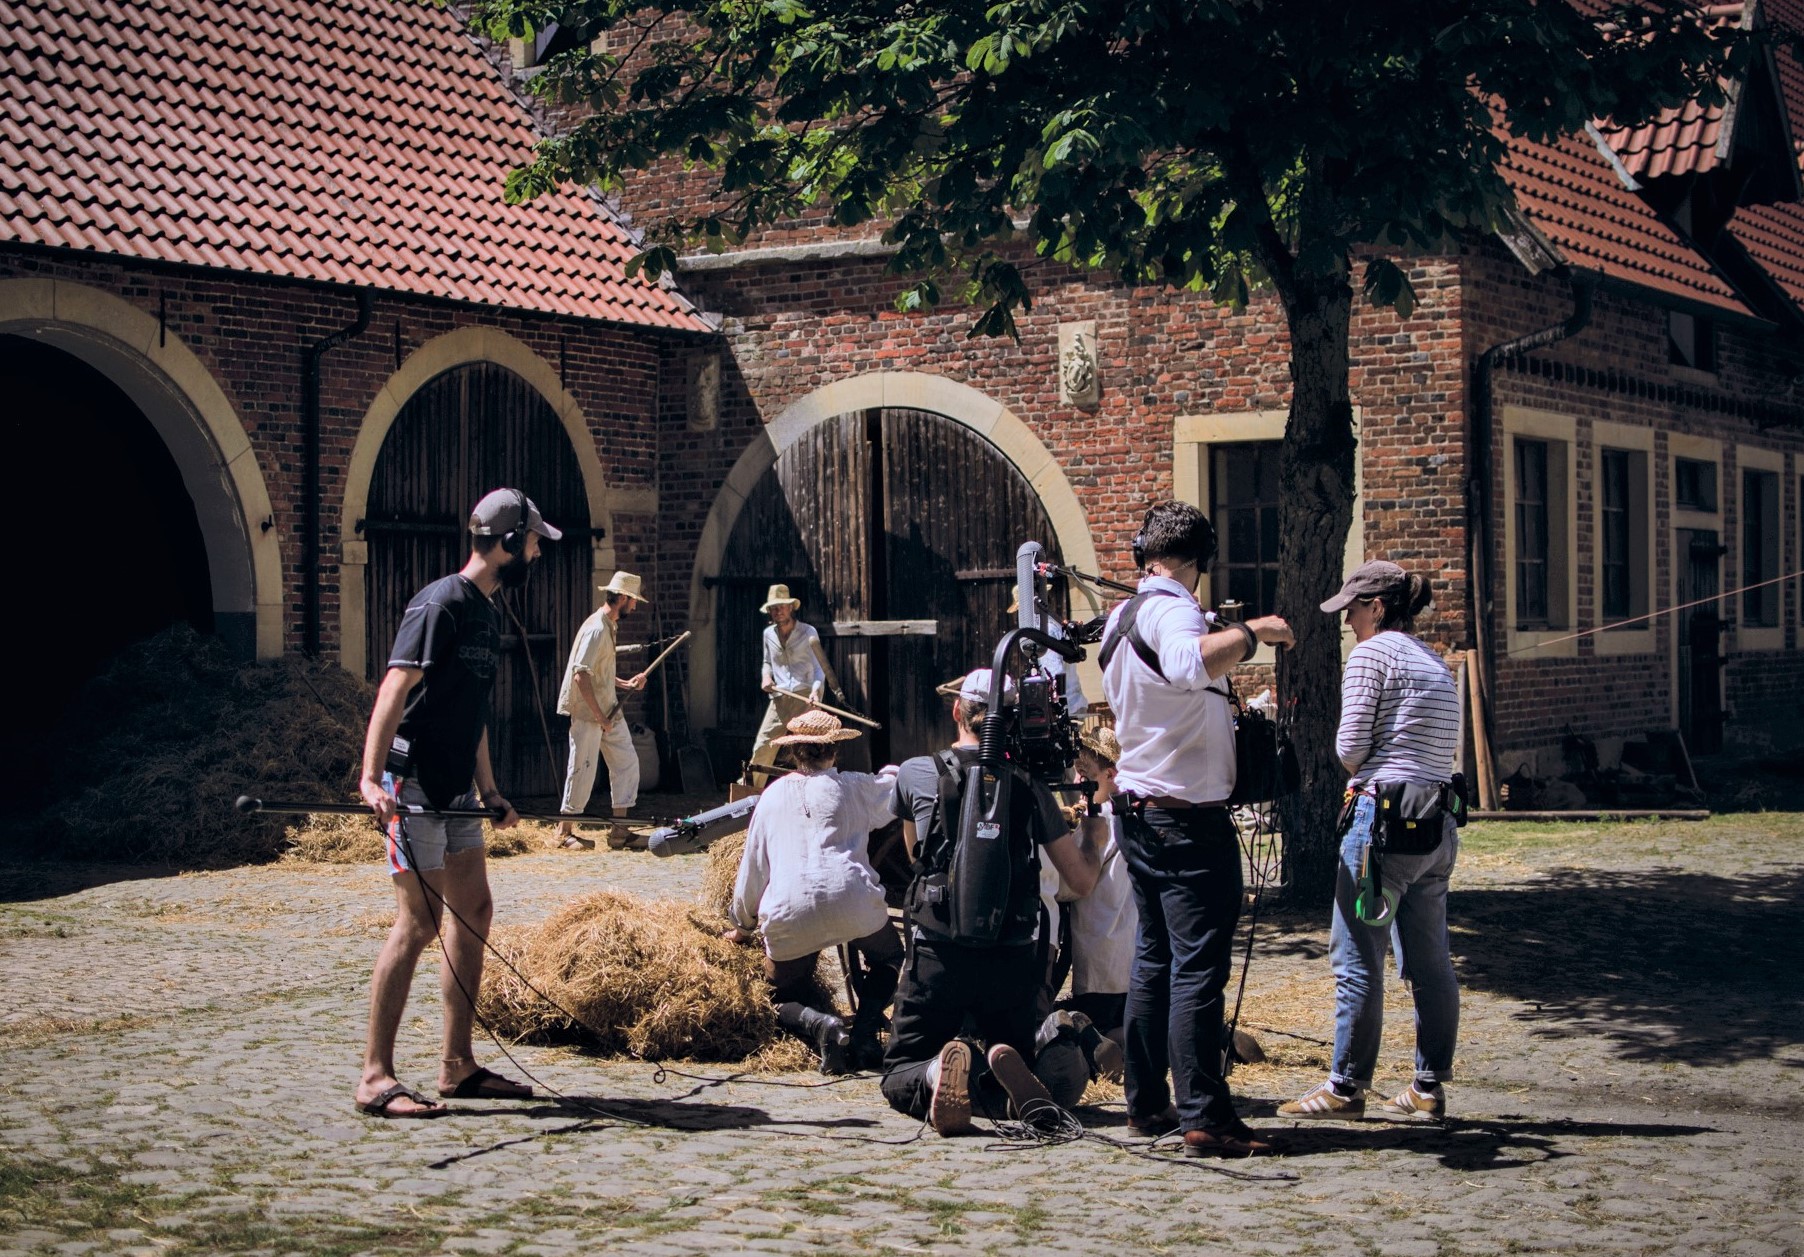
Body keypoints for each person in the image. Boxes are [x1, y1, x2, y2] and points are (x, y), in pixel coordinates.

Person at [352, 488, 558, 1118]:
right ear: (505, 543)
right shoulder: (441, 602)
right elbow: (394, 687)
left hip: (458, 790)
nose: (536, 553)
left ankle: (456, 1065)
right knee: (418, 922)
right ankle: (374, 1078)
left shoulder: (488, 613)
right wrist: (370, 779)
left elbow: (473, 716)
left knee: (474, 912)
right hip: (412, 787)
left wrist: (489, 789)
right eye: (531, 542)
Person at [1100, 500, 1294, 1157]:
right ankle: (1205, 1115)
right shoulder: (1173, 607)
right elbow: (1189, 662)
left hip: (1141, 813)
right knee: (1196, 970)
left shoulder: (1120, 615)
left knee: (1154, 959)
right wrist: (1254, 632)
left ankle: (1147, 1103)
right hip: (1184, 820)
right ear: (1198, 561)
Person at [882, 668, 1102, 1135]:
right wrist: (1095, 835)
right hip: (1012, 957)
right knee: (1013, 1044)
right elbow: (1081, 882)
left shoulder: (916, 773)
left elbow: (916, 856)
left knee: (899, 1069)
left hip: (938, 954)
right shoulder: (1030, 785)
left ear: (958, 710)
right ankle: (1035, 1058)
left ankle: (939, 1071)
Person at [1279, 560, 1462, 1123]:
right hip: (1435, 822)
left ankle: (1345, 1086)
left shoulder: (1372, 654)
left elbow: (1350, 748)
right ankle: (1427, 1086)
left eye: (1353, 610)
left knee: (1356, 959)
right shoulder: (1434, 661)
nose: (1347, 621)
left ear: (1377, 607)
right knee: (1430, 961)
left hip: (1379, 822)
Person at [726, 710, 904, 1073]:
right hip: (852, 899)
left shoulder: (771, 797)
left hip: (790, 910)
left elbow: (754, 867)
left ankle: (820, 1024)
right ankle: (866, 1033)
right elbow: (897, 786)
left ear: (793, 753)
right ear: (834, 750)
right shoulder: (854, 786)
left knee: (775, 995)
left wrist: (742, 925)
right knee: (888, 958)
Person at [555, 571, 649, 852]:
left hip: (608, 710)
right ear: (622, 598)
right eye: (633, 601)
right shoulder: (596, 628)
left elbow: (600, 674)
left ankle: (619, 832)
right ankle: (564, 832)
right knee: (582, 768)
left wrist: (625, 682)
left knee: (627, 763)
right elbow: (581, 676)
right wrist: (599, 717)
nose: (634, 606)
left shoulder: (610, 625)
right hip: (590, 714)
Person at [744, 584, 845, 783]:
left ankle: (822, 784)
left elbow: (819, 669)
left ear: (791, 607)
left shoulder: (808, 632)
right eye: (774, 607)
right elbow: (766, 663)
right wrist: (766, 677)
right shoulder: (768, 634)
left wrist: (816, 692)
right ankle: (750, 792)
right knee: (763, 744)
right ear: (770, 611)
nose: (778, 610)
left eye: (782, 606)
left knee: (812, 746)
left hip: (806, 696)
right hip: (780, 697)